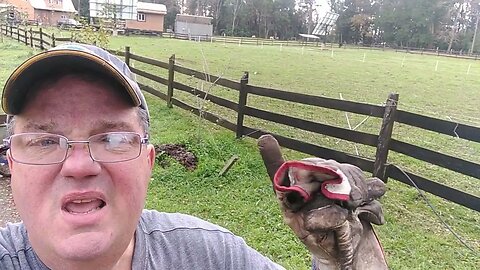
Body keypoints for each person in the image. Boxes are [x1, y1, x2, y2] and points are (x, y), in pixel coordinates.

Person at [0, 43, 388, 270]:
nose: (80, 165)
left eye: (113, 138)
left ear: (148, 164)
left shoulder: (207, 256)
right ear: (12, 167)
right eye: (46, 141)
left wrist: (345, 263)